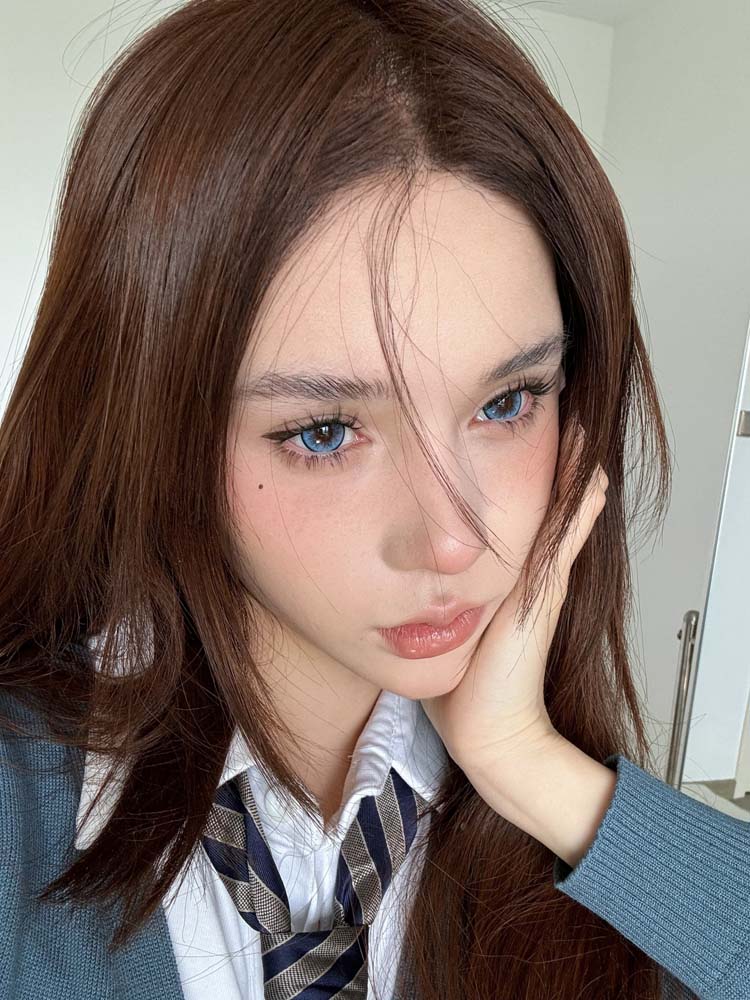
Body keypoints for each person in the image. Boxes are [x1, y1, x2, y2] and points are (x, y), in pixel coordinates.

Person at [0, 1, 746, 998]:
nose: (454, 539)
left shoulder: (560, 818)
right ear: (150, 422)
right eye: (324, 431)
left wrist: (536, 771)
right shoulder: (23, 802)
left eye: (507, 402)